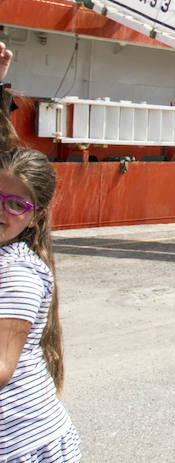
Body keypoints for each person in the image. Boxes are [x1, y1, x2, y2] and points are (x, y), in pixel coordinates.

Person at [0, 148, 81, 461]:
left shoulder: (16, 273)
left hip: (21, 444)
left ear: (36, 216)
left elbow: (3, 367)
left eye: (16, 205)